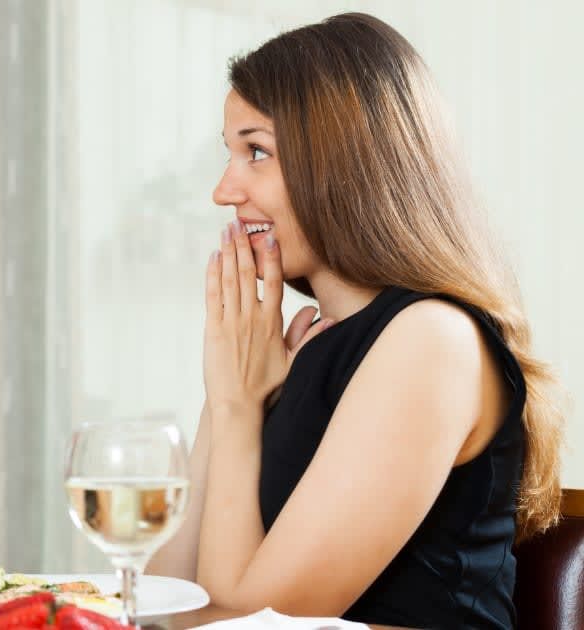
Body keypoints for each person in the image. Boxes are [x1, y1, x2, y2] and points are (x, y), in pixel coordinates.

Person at [148, 13, 564, 629]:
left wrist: (237, 410)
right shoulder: (297, 354)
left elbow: (247, 621)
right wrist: (228, 394)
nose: (223, 190)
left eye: (256, 151)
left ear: (341, 163)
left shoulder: (432, 341)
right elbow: (163, 602)